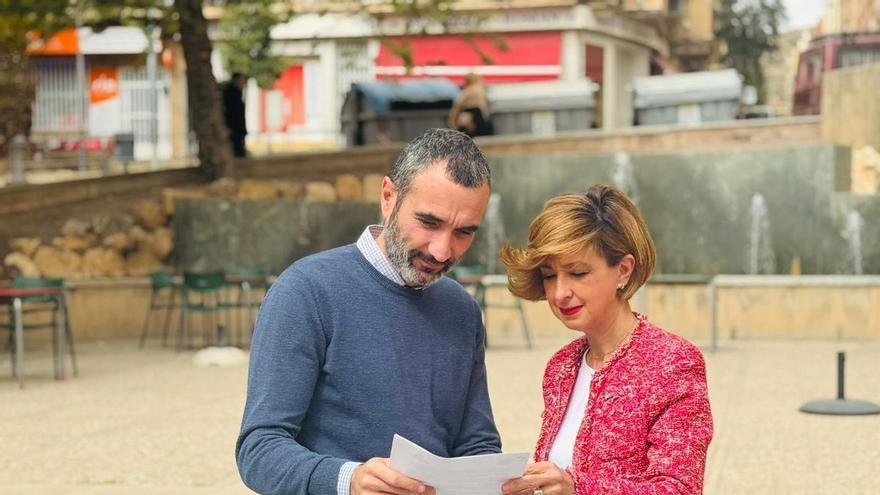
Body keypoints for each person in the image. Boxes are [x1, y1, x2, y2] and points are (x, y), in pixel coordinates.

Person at [236, 128, 501, 495]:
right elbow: (259, 450)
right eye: (430, 222)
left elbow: (477, 445)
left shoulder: (462, 310)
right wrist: (349, 480)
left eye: (464, 232)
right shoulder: (305, 291)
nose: (442, 251)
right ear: (388, 197)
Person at [499, 185, 713, 495]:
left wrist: (576, 488)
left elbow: (679, 489)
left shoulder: (673, 363)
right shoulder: (561, 367)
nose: (559, 293)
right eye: (549, 275)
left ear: (623, 270)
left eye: (577, 273)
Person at [223, 72, 248, 157]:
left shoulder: (237, 94)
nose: (243, 83)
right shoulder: (231, 95)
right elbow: (235, 115)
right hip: (233, 131)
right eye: (242, 80)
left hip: (237, 131)